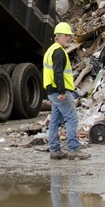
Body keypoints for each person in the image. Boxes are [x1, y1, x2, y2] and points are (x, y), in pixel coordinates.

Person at [44, 22, 89, 160]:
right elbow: (58, 73)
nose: (68, 38)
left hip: (51, 90)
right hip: (59, 91)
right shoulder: (58, 52)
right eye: (66, 35)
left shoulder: (50, 50)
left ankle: (55, 150)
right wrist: (62, 92)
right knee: (72, 118)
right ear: (58, 36)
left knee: (55, 121)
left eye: (69, 35)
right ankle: (73, 149)